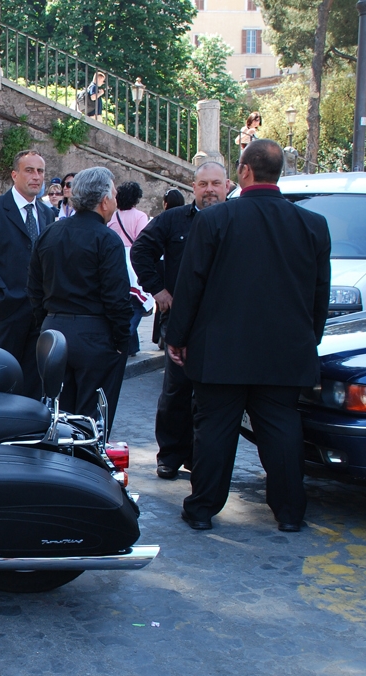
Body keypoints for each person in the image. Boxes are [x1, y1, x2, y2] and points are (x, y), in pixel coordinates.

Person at [166, 140, 331, 532]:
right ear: (280, 173)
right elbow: (319, 291)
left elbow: (191, 286)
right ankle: (290, 512)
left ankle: (203, 508)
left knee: (214, 432)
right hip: (285, 350)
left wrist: (178, 336)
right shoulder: (312, 225)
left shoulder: (214, 220)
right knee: (282, 430)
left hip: (222, 350)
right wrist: (312, 336)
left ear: (243, 172)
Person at [131, 162, 231, 480]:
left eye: (216, 183)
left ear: (227, 185)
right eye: (203, 184)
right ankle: (171, 455)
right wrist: (157, 290)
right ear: (193, 187)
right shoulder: (174, 220)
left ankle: (203, 459)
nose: (209, 190)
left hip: (224, 323)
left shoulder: (237, 220)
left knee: (215, 397)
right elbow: (142, 250)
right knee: (176, 392)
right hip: (181, 321)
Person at [27, 167, 131, 425]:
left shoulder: (50, 233)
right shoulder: (107, 239)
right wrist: (121, 338)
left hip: (54, 329)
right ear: (105, 200)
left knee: (57, 416)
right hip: (94, 333)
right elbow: (116, 297)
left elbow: (34, 288)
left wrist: (45, 324)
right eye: (114, 195)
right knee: (91, 419)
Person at [0, 149, 54, 398]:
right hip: (5, 312)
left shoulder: (47, 213)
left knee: (34, 382)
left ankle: (29, 432)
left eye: (40, 171)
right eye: (30, 170)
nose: (36, 176)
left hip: (40, 314)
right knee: (0, 382)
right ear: (14, 175)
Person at [107, 181, 150, 356]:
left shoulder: (113, 216)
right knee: (136, 304)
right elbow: (143, 240)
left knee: (124, 301)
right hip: (133, 260)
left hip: (115, 259)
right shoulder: (140, 216)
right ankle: (124, 340)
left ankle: (132, 347)